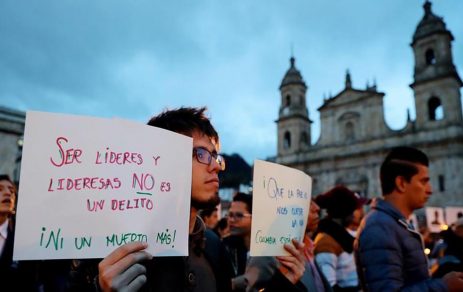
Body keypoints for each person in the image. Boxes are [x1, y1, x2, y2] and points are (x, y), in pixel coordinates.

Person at [95, 107, 305, 292]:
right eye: (202, 154)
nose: (215, 166)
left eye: (215, 157)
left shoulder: (213, 245)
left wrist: (283, 282)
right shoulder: (119, 252)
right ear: (161, 159)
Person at [354, 146, 463, 291]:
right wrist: (443, 286)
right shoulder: (379, 227)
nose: (430, 190)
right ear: (401, 183)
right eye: (423, 182)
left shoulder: (394, 224)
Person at [313, 186, 366, 291]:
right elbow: (328, 286)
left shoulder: (343, 236)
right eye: (355, 208)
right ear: (346, 212)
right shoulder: (326, 242)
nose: (360, 212)